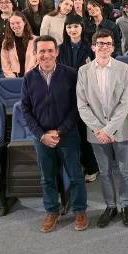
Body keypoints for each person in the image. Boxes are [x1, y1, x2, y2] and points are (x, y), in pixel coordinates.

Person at [21, 36, 89, 232]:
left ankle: (79, 211)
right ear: (35, 54)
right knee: (47, 177)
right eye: (41, 51)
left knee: (75, 176)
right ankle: (52, 211)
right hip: (42, 138)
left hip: (67, 135)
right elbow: (25, 109)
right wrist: (41, 135)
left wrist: (59, 131)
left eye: (50, 50)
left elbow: (77, 107)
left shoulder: (70, 74)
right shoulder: (29, 77)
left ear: (57, 52)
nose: (46, 55)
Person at [76, 30, 128, 228]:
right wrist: (98, 129)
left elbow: (125, 103)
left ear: (113, 47)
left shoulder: (124, 69)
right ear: (93, 47)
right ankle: (110, 206)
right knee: (105, 172)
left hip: (121, 129)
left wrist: (108, 129)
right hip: (96, 133)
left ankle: (126, 205)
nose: (104, 47)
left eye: (108, 44)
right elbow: (82, 105)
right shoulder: (83, 71)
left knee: (125, 171)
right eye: (100, 43)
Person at [0, 12, 36, 78]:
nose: (15, 26)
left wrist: (33, 74)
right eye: (12, 23)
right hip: (14, 78)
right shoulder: (6, 42)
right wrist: (11, 76)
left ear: (24, 22)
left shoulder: (35, 40)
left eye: (18, 22)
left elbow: (39, 61)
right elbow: (5, 63)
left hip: (32, 77)